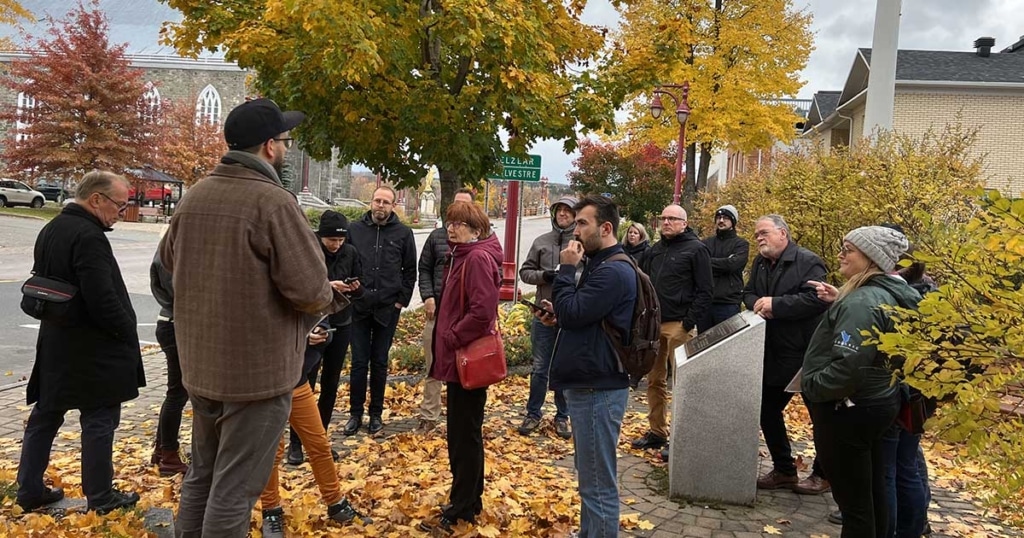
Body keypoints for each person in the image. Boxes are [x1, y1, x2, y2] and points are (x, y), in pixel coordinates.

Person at [161, 98, 349, 537]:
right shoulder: (273, 202)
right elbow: (308, 289)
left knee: (201, 480)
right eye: (284, 141)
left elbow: (168, 264)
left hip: (202, 370)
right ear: (269, 146)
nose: (285, 148)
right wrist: (329, 294)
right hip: (257, 377)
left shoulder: (197, 196)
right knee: (234, 492)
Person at [16, 170, 144, 514]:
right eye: (119, 203)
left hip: (57, 341)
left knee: (46, 416)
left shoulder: (52, 228)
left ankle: (28, 489)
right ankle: (101, 497)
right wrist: (126, 332)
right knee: (99, 420)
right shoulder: (89, 237)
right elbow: (102, 298)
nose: (122, 210)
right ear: (96, 200)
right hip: (93, 348)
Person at [803, 226, 919, 537]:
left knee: (854, 505)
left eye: (849, 249)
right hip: (878, 403)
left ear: (871, 260)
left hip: (849, 410)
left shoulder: (862, 303)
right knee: (872, 494)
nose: (841, 254)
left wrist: (812, 386)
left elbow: (847, 368)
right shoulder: (885, 294)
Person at [539, 194, 636, 537]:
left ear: (605, 228)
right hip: (590, 381)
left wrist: (566, 269)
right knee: (590, 477)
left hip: (599, 386)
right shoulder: (600, 265)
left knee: (597, 484)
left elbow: (576, 312)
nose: (574, 230)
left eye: (582, 223)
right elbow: (583, 316)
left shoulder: (613, 271)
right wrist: (559, 315)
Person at [417, 201, 503, 534]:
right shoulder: (462, 254)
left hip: (465, 361)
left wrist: (451, 337)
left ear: (476, 229)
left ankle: (462, 506)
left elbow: (482, 313)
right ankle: (469, 500)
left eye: (459, 223)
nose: (452, 228)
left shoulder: (477, 258)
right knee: (463, 434)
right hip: (457, 361)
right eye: (450, 222)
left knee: (463, 437)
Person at [743, 214, 831, 495]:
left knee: (821, 418)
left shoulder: (808, 261)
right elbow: (747, 293)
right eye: (756, 235)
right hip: (774, 352)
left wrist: (777, 305)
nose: (759, 238)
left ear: (783, 234)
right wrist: (758, 302)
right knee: (767, 410)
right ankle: (784, 469)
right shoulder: (759, 262)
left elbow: (816, 300)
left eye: (764, 233)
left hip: (807, 355)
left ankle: (824, 474)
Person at [261, 320, 372, 537]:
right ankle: (271, 511)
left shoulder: (299, 288)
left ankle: (336, 504)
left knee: (319, 445)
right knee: (272, 451)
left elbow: (320, 317)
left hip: (297, 380)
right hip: (266, 384)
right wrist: (302, 337)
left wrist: (321, 332)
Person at [631, 204, 713, 452]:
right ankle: (657, 432)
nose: (666, 222)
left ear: (684, 223)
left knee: (682, 383)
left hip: (679, 325)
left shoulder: (697, 249)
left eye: (672, 219)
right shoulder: (656, 250)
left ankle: (680, 437)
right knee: (655, 380)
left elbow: (706, 291)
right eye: (663, 217)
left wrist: (688, 323)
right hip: (654, 325)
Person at [287, 210, 364, 464]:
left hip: (341, 323)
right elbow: (301, 288)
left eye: (340, 240)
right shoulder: (310, 251)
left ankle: (319, 441)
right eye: (332, 240)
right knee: (305, 383)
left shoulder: (350, 253)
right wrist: (328, 286)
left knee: (330, 384)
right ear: (322, 236)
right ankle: (296, 443)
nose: (336, 245)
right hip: (314, 324)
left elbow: (360, 288)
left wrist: (355, 287)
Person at [346, 185, 417, 436]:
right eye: (377, 201)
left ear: (393, 206)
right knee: (358, 362)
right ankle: (355, 414)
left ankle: (375, 413)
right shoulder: (354, 230)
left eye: (386, 202)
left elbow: (410, 271)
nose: (380, 206)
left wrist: (401, 301)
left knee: (379, 362)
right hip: (359, 306)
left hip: (388, 307)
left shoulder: (403, 233)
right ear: (371, 202)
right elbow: (345, 262)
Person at [516, 196, 580, 439]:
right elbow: (525, 272)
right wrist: (545, 276)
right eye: (559, 210)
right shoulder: (541, 242)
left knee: (564, 366)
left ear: (575, 215)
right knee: (540, 367)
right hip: (542, 314)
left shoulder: (580, 244)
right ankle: (533, 413)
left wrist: (566, 275)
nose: (563, 214)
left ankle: (563, 416)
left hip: (569, 315)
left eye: (568, 211)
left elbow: (589, 276)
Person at [414, 188, 475, 434]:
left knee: (466, 368)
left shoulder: (480, 244)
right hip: (438, 313)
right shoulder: (438, 237)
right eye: (455, 207)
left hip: (465, 318)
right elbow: (424, 268)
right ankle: (429, 415)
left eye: (465, 208)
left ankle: (459, 418)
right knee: (434, 364)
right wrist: (428, 296)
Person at [149, 248, 189, 476]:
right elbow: (176, 290)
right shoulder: (172, 249)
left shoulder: (171, 246)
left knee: (177, 392)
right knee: (177, 393)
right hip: (175, 324)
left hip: (173, 322)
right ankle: (168, 454)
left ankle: (162, 449)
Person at [699, 205, 749, 332]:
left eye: (726, 218)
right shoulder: (705, 243)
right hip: (705, 303)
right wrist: (724, 262)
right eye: (719, 217)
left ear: (733, 221)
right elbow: (698, 265)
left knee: (727, 346)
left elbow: (732, 265)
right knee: (702, 346)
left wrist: (708, 262)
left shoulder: (741, 244)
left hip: (728, 303)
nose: (721, 221)